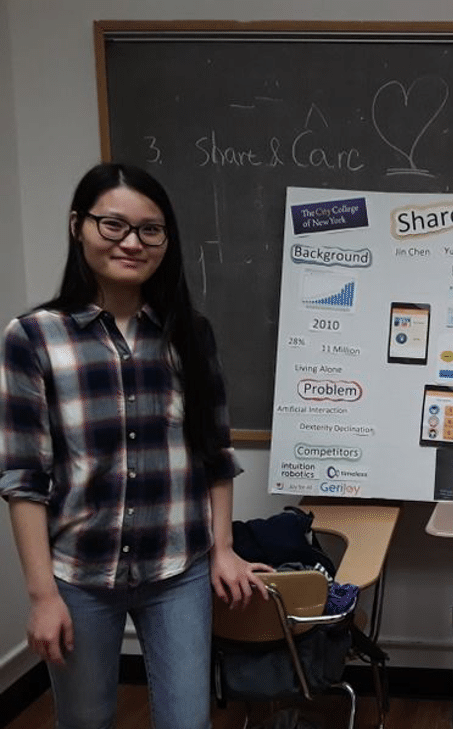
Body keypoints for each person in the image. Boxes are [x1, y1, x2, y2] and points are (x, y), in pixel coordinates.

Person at [0, 163, 272, 729]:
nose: (132, 243)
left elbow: (213, 453)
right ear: (79, 226)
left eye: (151, 230)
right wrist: (43, 595)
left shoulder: (189, 334)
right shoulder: (33, 338)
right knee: (87, 720)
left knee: (186, 720)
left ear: (166, 241)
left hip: (178, 570)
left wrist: (222, 548)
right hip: (79, 574)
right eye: (113, 225)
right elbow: (24, 479)